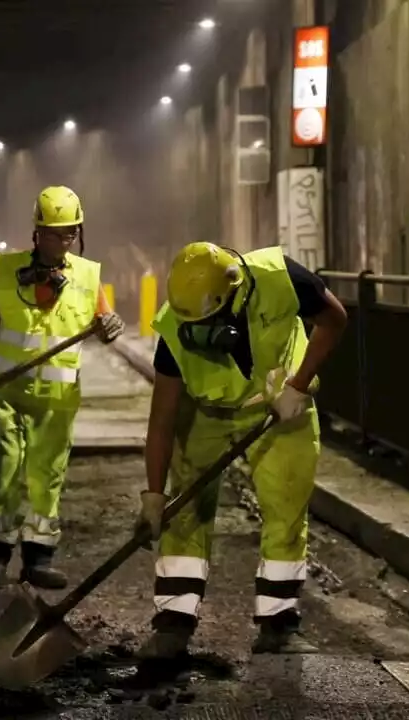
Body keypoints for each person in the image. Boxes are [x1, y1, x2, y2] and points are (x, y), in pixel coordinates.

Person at [135, 241, 348, 659]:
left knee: (285, 508)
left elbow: (335, 320)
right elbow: (160, 422)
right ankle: (173, 624)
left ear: (233, 296)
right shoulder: (175, 333)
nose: (198, 334)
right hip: (207, 412)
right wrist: (155, 496)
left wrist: (299, 385)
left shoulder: (281, 278)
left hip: (280, 407)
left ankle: (279, 624)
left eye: (208, 322)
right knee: (185, 511)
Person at [0, 186, 125, 592]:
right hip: (6, 395)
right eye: (53, 233)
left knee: (47, 476)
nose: (61, 241)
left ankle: (38, 558)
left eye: (68, 233)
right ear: (37, 233)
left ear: (78, 233)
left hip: (57, 400)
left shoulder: (86, 276)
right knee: (6, 470)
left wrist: (111, 325)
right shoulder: (9, 270)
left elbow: (105, 323)